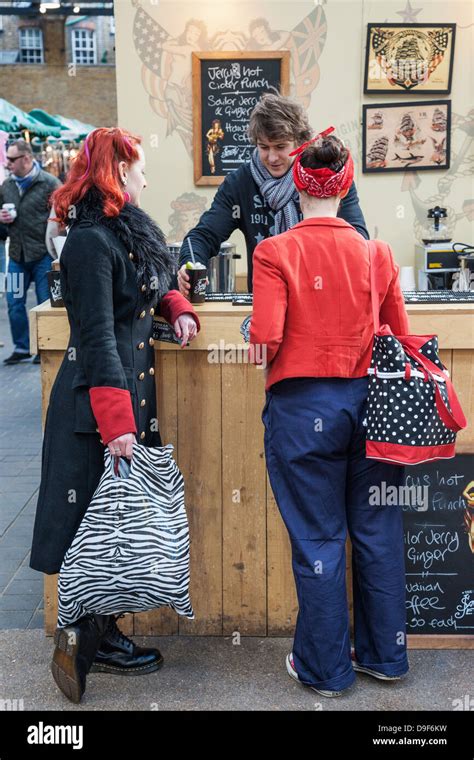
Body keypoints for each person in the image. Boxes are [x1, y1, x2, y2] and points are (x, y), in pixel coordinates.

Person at [29, 127, 200, 704]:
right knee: (89, 533)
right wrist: (117, 424)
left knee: (116, 531)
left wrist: (176, 307)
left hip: (124, 402)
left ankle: (99, 635)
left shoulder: (124, 230)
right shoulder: (87, 243)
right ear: (118, 171)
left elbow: (152, 283)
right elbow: (99, 335)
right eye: (140, 169)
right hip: (95, 410)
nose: (147, 179)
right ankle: (81, 642)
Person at [249, 127, 410, 697]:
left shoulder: (274, 251)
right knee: (378, 532)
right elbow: (400, 337)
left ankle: (326, 671)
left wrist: (256, 336)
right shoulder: (377, 252)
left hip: (302, 411)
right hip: (374, 407)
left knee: (319, 539)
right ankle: (385, 658)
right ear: (346, 187)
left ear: (297, 182)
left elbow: (266, 337)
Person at [177, 92, 368, 295]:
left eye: (280, 146)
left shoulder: (325, 176)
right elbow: (204, 236)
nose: (272, 157)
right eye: (264, 147)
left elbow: (358, 237)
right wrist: (190, 265)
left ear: (300, 143)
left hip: (323, 296)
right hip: (264, 297)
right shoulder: (240, 183)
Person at [0, 139, 61, 365]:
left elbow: (61, 217)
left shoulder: (49, 183)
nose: (8, 164)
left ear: (26, 158)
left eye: (12, 159)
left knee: (45, 304)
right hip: (16, 256)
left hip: (42, 256)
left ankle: (42, 347)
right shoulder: (6, 186)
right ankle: (22, 347)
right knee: (14, 303)